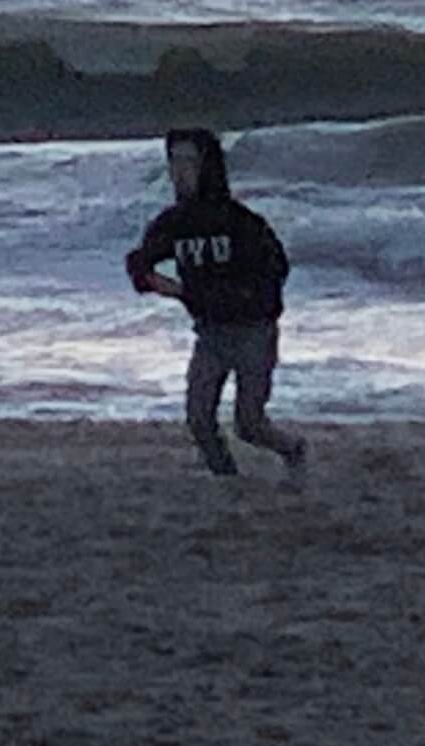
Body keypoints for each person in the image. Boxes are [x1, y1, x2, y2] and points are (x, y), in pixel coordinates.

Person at [126, 127, 308, 482]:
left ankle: (293, 449)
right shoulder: (174, 223)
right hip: (210, 335)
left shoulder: (241, 223)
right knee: (198, 418)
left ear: (208, 166)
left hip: (254, 332)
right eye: (174, 162)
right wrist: (155, 283)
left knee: (249, 424)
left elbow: (275, 270)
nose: (180, 172)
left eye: (189, 162)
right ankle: (228, 480)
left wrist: (206, 297)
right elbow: (140, 262)